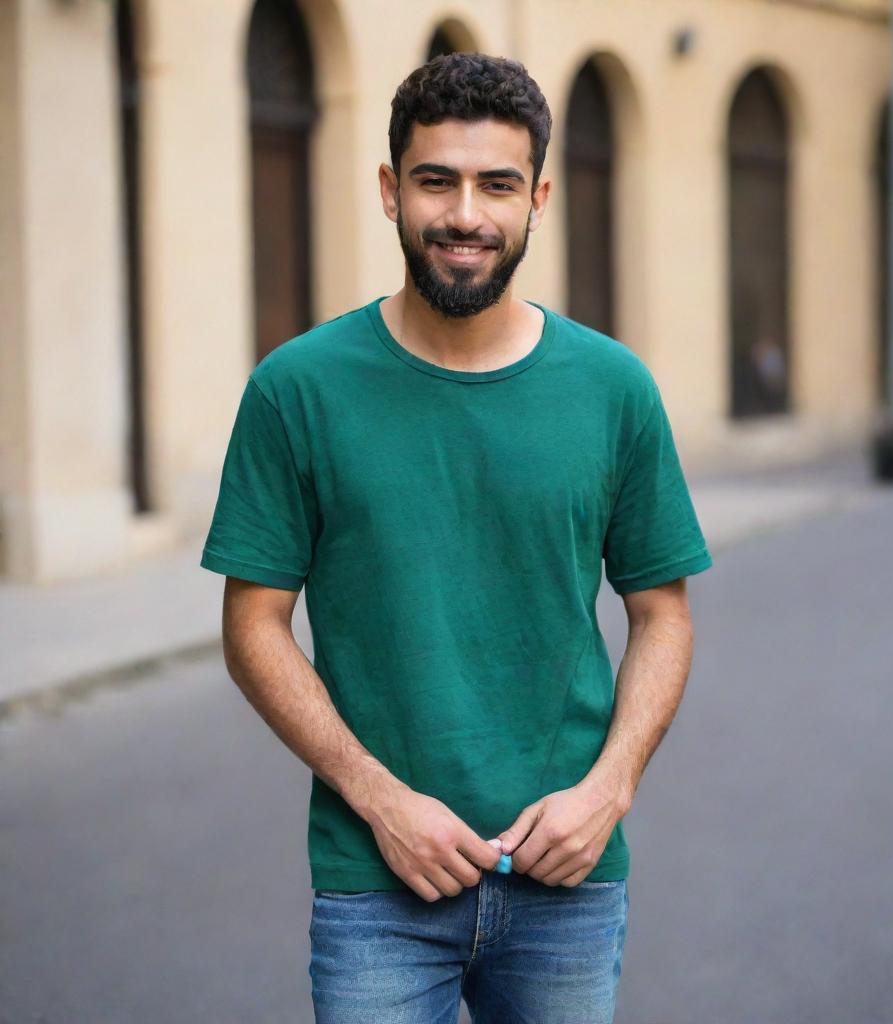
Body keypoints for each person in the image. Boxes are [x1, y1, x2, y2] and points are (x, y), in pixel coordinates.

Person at [200, 51, 712, 1024]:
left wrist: (608, 789)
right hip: (376, 883)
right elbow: (253, 625)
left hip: (568, 876)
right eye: (436, 180)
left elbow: (663, 614)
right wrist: (379, 798)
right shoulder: (297, 388)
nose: (466, 214)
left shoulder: (612, 390)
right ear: (391, 191)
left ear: (539, 198)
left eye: (497, 185)